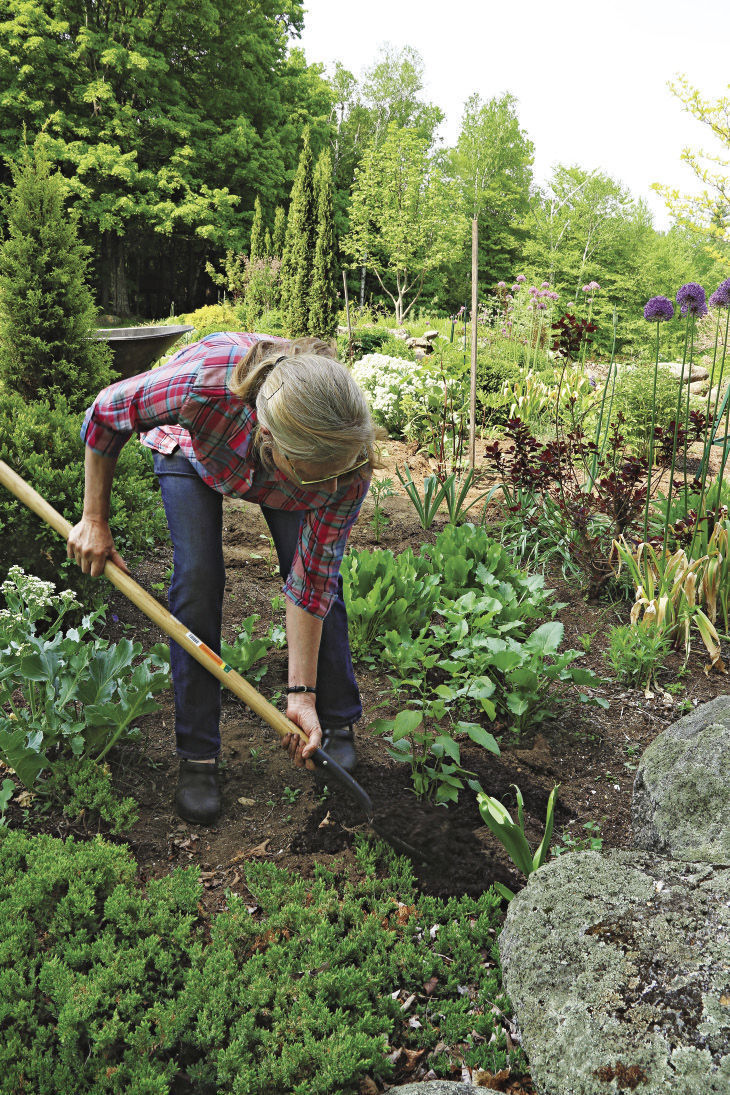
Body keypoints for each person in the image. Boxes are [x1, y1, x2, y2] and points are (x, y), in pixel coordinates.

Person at [67, 331, 380, 825]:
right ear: (270, 441)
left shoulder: (342, 461)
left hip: (286, 464)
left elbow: (310, 578)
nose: (337, 490)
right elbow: (106, 413)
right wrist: (94, 519)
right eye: (323, 477)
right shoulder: (201, 386)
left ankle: (334, 721)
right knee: (197, 579)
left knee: (325, 585)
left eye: (341, 474)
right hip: (192, 448)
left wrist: (301, 692)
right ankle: (197, 756)